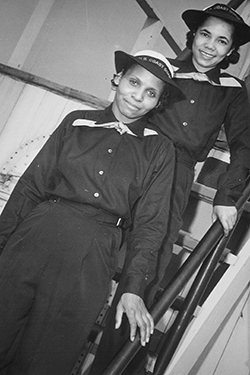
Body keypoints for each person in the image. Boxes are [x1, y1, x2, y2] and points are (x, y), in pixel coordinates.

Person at [90, 3, 250, 375]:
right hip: (132, 163)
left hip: (175, 179)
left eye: (222, 41)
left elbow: (244, 145)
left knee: (143, 279)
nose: (210, 46)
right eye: (205, 34)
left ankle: (113, 369)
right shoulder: (162, 70)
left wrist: (227, 197)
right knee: (91, 253)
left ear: (231, 51)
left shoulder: (232, 91)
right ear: (194, 35)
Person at [0, 50, 183, 375]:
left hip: (93, 254)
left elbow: (151, 225)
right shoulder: (76, 121)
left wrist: (132, 287)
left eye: (150, 93)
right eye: (133, 82)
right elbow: (30, 187)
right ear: (118, 78)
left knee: (45, 361)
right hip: (35, 234)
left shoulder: (159, 150)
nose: (137, 97)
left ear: (158, 103)